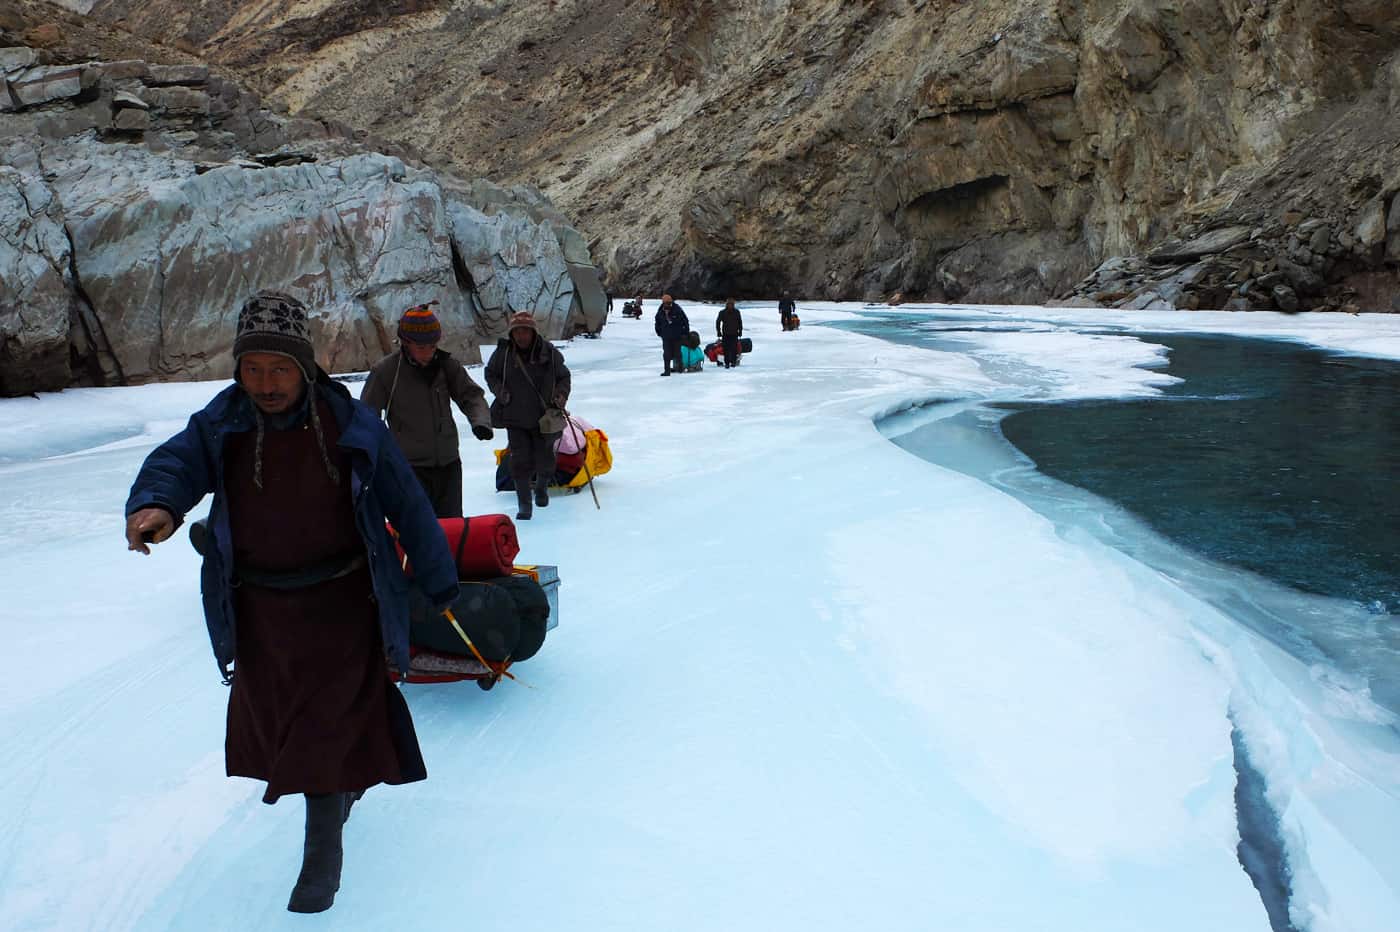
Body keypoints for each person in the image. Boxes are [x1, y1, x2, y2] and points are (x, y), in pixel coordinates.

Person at [123, 290, 459, 915]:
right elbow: (177, 462)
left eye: (279, 369)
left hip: (342, 604)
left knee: (320, 728)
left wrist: (438, 582)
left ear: (304, 368)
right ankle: (340, 791)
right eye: (253, 369)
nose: (266, 383)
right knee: (291, 726)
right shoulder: (222, 420)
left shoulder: (351, 425)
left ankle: (321, 852)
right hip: (262, 612)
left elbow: (408, 503)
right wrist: (158, 504)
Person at [360, 302, 493, 518]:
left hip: (448, 464)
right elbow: (367, 416)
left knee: (452, 528)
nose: (429, 352)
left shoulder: (447, 366)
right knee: (417, 529)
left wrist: (480, 421)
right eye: (422, 347)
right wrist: (370, 454)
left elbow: (471, 396)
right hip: (409, 468)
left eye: (433, 346)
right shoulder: (386, 372)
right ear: (405, 342)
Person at [484, 311, 572, 520]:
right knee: (520, 460)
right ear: (512, 333)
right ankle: (525, 505)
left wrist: (561, 395)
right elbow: (490, 373)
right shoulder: (503, 353)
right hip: (515, 416)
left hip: (544, 418)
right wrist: (500, 391)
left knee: (545, 459)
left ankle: (541, 488)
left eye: (525, 331)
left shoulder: (548, 352)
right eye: (517, 331)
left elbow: (564, 376)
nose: (521, 336)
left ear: (533, 332)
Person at [654, 293, 689, 376]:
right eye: (666, 303)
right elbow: (657, 322)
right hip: (666, 336)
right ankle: (667, 371)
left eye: (669, 303)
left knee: (677, 353)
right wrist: (659, 332)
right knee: (666, 354)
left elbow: (685, 321)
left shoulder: (678, 309)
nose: (668, 304)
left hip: (677, 336)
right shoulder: (660, 311)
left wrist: (685, 332)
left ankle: (680, 368)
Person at [716, 298, 743, 368]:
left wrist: (740, 331)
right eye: (729, 304)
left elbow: (740, 322)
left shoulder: (737, 312)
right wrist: (718, 331)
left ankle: (733, 362)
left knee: (734, 348)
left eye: (732, 304)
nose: (730, 305)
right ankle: (727, 362)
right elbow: (718, 322)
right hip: (725, 333)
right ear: (726, 304)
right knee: (726, 349)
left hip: (734, 333)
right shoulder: (722, 312)